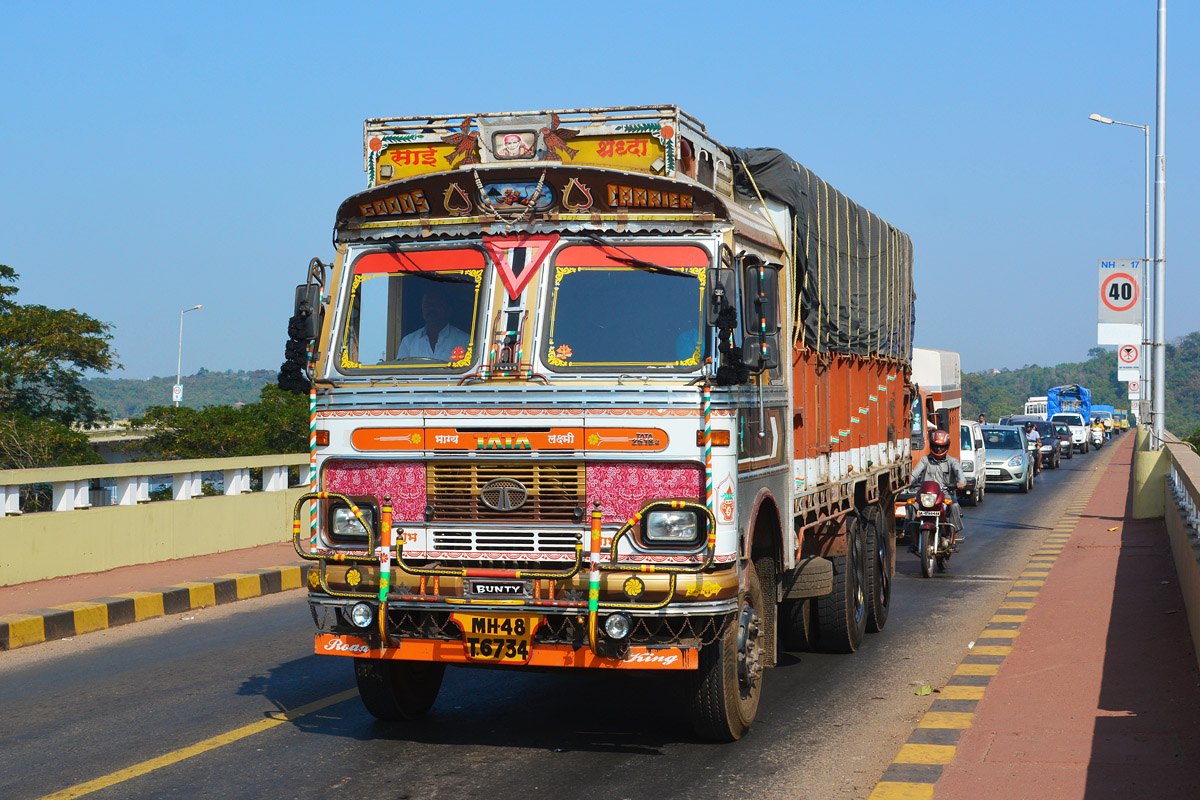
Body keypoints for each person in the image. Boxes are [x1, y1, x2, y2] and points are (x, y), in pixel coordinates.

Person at [908, 429, 965, 553]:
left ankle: (952, 538)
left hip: (944, 494)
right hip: (926, 495)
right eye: (936, 446)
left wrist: (961, 482)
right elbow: (915, 474)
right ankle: (913, 538)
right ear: (932, 446)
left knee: (954, 506)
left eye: (941, 446)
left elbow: (958, 472)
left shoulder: (952, 461)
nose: (938, 449)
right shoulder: (925, 460)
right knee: (911, 506)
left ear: (946, 446)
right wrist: (908, 482)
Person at [395, 291, 469, 361]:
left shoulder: (465, 341)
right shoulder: (408, 342)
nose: (431, 308)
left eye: (436, 304)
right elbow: (401, 372)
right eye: (427, 304)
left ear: (448, 309)